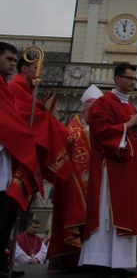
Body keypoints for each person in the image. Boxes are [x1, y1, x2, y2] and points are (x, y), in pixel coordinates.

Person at [79, 63, 137, 277]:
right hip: (110, 169)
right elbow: (101, 132)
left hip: (128, 169)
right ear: (117, 78)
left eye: (135, 79)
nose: (133, 82)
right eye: (130, 78)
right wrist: (129, 125)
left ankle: (120, 262)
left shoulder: (130, 106)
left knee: (126, 213)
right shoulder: (103, 103)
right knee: (106, 215)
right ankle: (98, 260)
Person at [0, 42, 43, 278]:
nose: (10, 63)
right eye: (8, 59)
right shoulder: (11, 86)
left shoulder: (8, 86)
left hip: (7, 159)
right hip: (7, 153)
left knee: (6, 216)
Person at [48, 84, 101, 270]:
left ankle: (92, 259)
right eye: (92, 112)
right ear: (85, 111)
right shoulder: (73, 129)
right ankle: (72, 259)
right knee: (75, 218)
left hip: (96, 183)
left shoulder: (99, 130)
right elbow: (64, 143)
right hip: (74, 183)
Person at [9, 53, 74, 184]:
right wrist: (45, 115)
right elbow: (20, 114)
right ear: (24, 69)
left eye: (41, 69)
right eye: (36, 68)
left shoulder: (29, 91)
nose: (40, 72)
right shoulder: (15, 88)